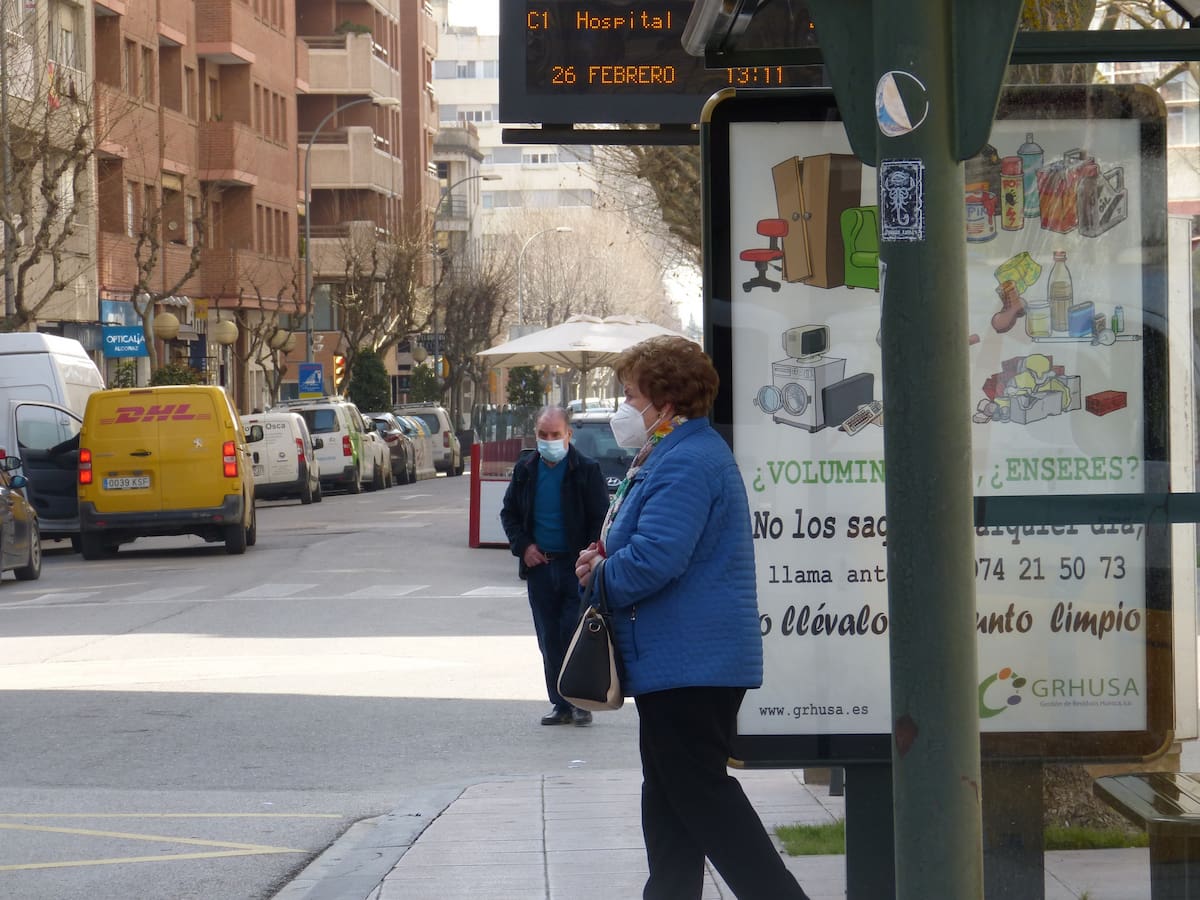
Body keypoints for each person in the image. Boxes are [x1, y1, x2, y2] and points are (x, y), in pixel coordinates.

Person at [575, 336, 810, 900]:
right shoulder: (670, 454)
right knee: (670, 803)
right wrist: (604, 556)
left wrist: (599, 574)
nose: (624, 408)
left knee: (700, 796)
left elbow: (657, 558)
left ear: (666, 400)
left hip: (691, 666)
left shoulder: (687, 461)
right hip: (678, 664)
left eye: (631, 394)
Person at [501, 405, 610, 727]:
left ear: (568, 435)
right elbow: (509, 514)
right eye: (543, 435)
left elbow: (599, 520)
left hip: (574, 569)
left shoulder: (586, 470)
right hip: (540, 568)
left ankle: (581, 702)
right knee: (549, 638)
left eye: (555, 435)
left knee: (572, 634)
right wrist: (524, 547)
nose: (548, 441)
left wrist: (589, 557)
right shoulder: (526, 470)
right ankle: (559, 703)